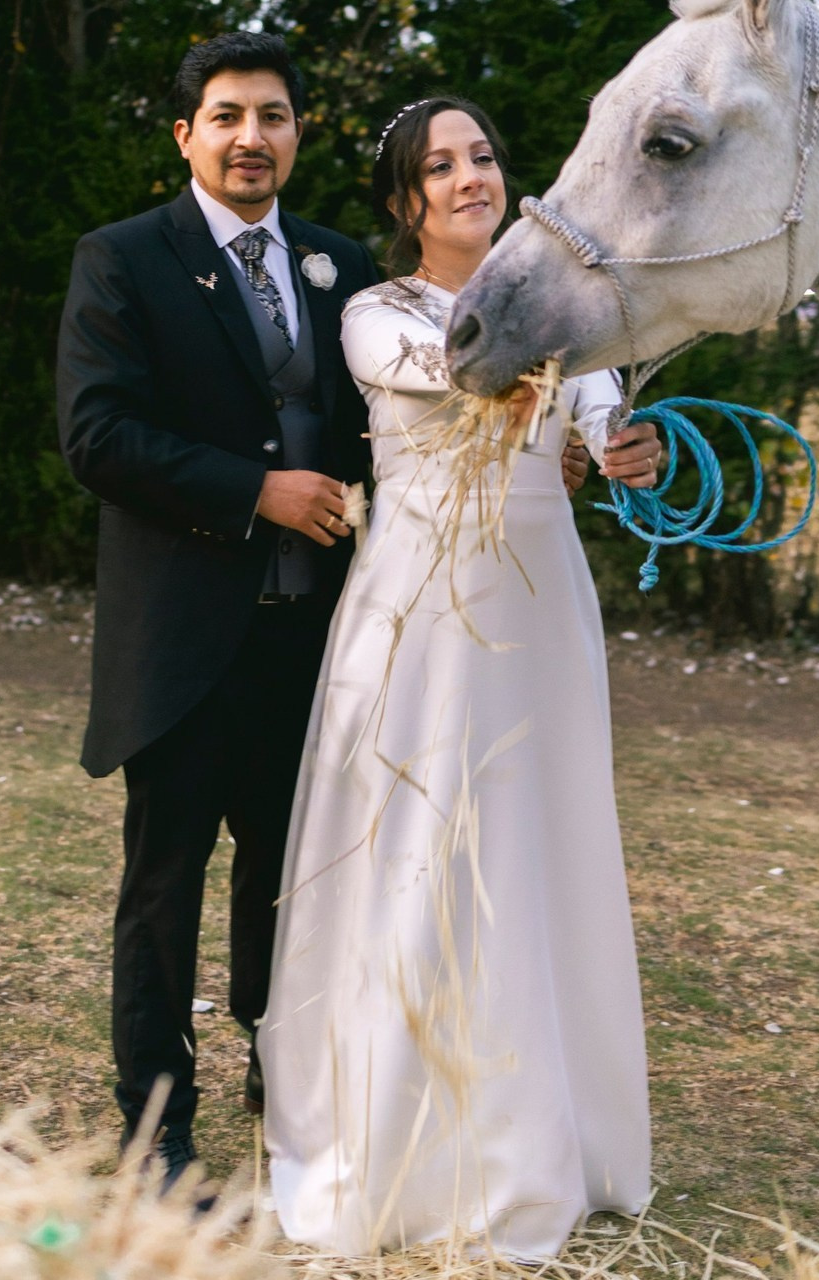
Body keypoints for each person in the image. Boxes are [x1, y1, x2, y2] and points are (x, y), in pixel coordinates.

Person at [257, 97, 659, 1257]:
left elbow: (597, 408)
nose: (469, 176)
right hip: (423, 610)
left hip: (539, 607)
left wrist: (623, 437)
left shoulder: (570, 314)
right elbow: (469, 372)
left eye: (481, 155)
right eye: (439, 166)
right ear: (405, 201)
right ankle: (401, 1136)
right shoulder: (378, 316)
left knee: (538, 840)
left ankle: (546, 1132)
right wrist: (578, 363)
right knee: (422, 842)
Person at [55, 31, 381, 1189]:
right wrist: (256, 491)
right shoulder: (124, 259)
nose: (253, 137)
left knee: (290, 877)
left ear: (298, 133)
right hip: (186, 639)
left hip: (312, 640)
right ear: (186, 134)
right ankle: (156, 1126)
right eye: (230, 116)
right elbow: (98, 436)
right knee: (164, 886)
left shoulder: (342, 265)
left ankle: (281, 1073)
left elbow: (396, 430)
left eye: (274, 116)